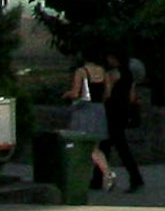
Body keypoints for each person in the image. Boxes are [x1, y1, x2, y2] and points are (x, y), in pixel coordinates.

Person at [64, 56, 114, 200]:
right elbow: (108, 93)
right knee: (95, 146)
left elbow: (75, 92)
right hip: (99, 109)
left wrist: (67, 94)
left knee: (81, 144)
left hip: (84, 110)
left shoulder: (81, 71)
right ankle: (107, 172)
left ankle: (80, 178)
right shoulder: (103, 71)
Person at [102, 52, 149, 195]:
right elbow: (132, 96)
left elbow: (107, 94)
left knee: (119, 147)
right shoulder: (129, 74)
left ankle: (136, 178)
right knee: (107, 145)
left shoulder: (114, 74)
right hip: (122, 112)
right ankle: (98, 179)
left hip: (112, 111)